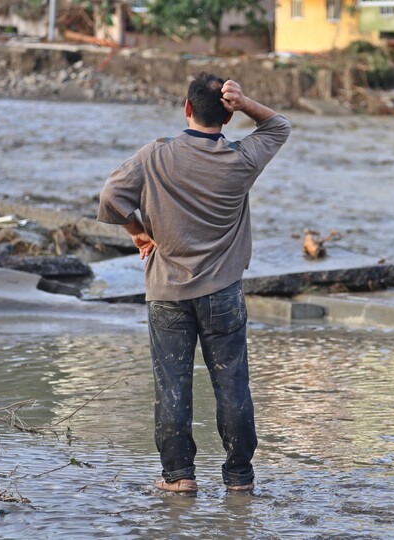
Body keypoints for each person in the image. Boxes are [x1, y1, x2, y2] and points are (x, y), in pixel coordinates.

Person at [97, 73, 291, 493]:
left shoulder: (155, 154)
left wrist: (137, 231)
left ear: (186, 108)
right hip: (223, 291)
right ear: (228, 115)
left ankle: (179, 476)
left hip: (166, 291)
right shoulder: (241, 159)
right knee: (232, 383)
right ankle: (239, 477)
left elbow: (111, 197)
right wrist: (245, 102)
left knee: (172, 384)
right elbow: (278, 126)